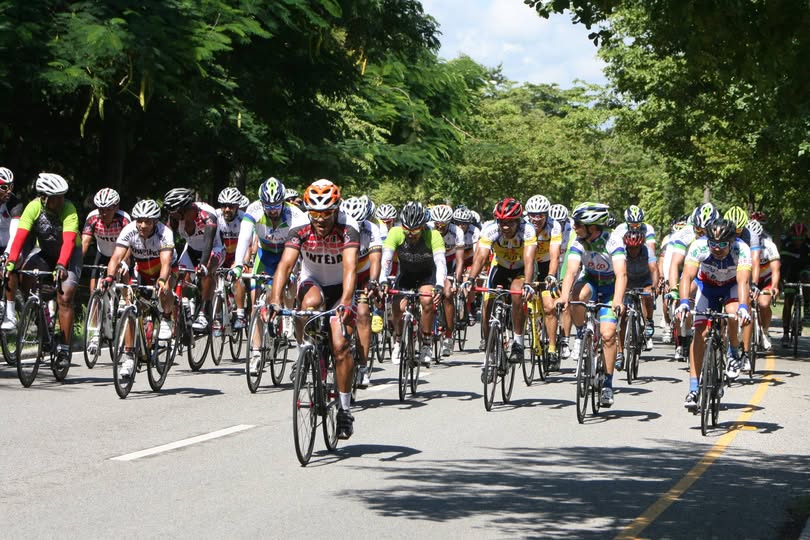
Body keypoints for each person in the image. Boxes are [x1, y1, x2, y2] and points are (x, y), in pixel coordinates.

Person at [270, 179, 360, 440]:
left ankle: (344, 410)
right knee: (307, 306)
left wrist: (346, 301)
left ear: (336, 210)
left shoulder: (348, 226)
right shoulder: (299, 227)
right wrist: (275, 300)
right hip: (313, 283)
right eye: (315, 213)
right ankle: (305, 351)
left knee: (340, 346)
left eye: (326, 213)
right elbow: (285, 265)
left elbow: (351, 267)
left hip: (341, 288)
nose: (320, 219)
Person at [5, 173, 83, 368]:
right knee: (24, 277)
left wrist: (61, 265)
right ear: (43, 197)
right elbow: (20, 238)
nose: (61, 200)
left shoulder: (69, 208)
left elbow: (69, 242)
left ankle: (64, 349)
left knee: (65, 297)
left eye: (62, 196)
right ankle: (43, 327)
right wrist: (11, 262)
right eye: (56, 197)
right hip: (46, 252)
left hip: (70, 255)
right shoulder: (33, 207)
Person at [229, 178, 305, 374]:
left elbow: (303, 245)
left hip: (288, 254)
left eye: (276, 206)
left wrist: (297, 270)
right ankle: (256, 353)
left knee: (288, 284)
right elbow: (244, 239)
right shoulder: (253, 210)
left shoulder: (295, 214)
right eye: (268, 206)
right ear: (261, 202)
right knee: (256, 305)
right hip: (265, 255)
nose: (272, 210)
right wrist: (238, 265)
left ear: (283, 202)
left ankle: (288, 315)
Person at [555, 202, 627, 407]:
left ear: (592, 226)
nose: (574, 227)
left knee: (608, 335)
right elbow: (571, 271)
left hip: (611, 287)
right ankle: (581, 334)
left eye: (578, 224)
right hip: (592, 281)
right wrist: (563, 297)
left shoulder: (613, 240)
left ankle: (608, 384)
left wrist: (618, 300)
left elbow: (621, 274)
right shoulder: (578, 241)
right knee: (576, 296)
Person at [678, 218, 751, 409]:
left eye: (722, 245)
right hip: (707, 287)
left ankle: (733, 353)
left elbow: (743, 281)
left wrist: (744, 306)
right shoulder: (699, 246)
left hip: (731, 287)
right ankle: (693, 389)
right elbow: (687, 276)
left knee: (733, 313)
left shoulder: (741, 249)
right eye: (713, 244)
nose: (717, 248)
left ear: (731, 242)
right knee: (699, 334)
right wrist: (684, 302)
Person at [102, 200, 178, 378]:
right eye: (140, 221)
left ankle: (166, 318)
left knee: (166, 287)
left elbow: (166, 263)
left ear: (155, 222)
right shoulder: (129, 230)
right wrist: (109, 277)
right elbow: (116, 257)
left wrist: (161, 280)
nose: (143, 225)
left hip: (165, 270)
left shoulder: (165, 233)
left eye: (148, 222)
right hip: (142, 269)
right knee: (131, 309)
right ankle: (129, 356)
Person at [463, 198, 536, 371]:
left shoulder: (527, 230)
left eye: (510, 222)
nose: (505, 226)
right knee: (487, 307)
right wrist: (470, 280)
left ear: (518, 221)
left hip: (521, 269)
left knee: (517, 292)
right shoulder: (490, 229)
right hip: (500, 267)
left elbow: (529, 259)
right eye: (502, 222)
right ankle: (491, 352)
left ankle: (518, 342)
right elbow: (480, 257)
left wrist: (528, 284)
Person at [380, 201, 446, 366]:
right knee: (397, 307)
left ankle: (426, 343)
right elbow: (386, 260)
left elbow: (440, 262)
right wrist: (382, 279)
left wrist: (439, 285)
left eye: (415, 231)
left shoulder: (433, 235)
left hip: (427, 276)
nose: (410, 235)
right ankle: (397, 341)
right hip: (406, 275)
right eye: (407, 230)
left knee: (427, 301)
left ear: (423, 227)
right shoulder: (395, 232)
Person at [164, 188, 224, 331]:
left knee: (207, 269)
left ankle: (204, 311)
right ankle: (180, 313)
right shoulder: (174, 218)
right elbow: (166, 241)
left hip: (214, 248)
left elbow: (208, 244)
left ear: (185, 209)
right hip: (191, 249)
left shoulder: (207, 216)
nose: (173, 216)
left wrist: (202, 266)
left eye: (175, 212)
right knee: (179, 278)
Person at [341, 196, 382, 388]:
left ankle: (363, 367)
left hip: (363, 275)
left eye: (358, 225)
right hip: (341, 275)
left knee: (363, 313)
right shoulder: (338, 227)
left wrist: (373, 281)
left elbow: (376, 259)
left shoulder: (372, 229)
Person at [525, 195, 563, 369]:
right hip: (527, 262)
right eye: (532, 215)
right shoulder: (524, 225)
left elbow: (555, 256)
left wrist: (551, 275)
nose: (536, 218)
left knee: (549, 307)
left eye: (540, 215)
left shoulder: (554, 226)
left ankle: (553, 348)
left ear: (546, 215)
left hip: (546, 263)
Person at [617, 228, 659, 368]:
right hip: (628, 281)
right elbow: (617, 271)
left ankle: (649, 321)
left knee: (648, 296)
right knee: (622, 316)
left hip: (644, 279)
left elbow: (654, 269)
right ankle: (619, 353)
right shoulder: (622, 252)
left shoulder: (648, 250)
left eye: (636, 248)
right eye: (631, 248)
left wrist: (654, 286)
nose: (633, 251)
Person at [428, 204, 465, 357]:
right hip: (432, 262)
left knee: (448, 294)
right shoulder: (428, 228)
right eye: (437, 224)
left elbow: (460, 260)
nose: (440, 227)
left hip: (449, 263)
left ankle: (449, 335)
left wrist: (457, 280)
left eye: (443, 225)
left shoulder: (457, 232)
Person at [81, 188, 131, 292]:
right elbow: (85, 242)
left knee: (124, 274)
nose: (104, 213)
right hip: (102, 253)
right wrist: (78, 260)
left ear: (116, 208)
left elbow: (130, 244)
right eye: (101, 210)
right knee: (93, 287)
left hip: (121, 255)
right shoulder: (92, 218)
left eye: (108, 210)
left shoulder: (124, 219)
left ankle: (126, 299)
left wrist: (124, 261)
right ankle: (93, 301)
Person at [215, 187, 247, 332]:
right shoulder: (215, 216)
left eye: (231, 206)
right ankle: (219, 313)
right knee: (214, 279)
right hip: (221, 254)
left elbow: (249, 244)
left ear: (237, 206)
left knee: (237, 278)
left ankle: (240, 314)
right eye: (224, 205)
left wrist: (242, 262)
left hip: (237, 255)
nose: (227, 209)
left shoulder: (244, 218)